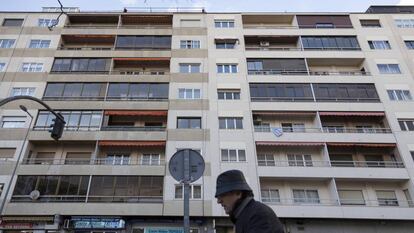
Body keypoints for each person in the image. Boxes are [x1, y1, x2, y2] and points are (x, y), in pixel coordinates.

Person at [215, 170, 285, 233]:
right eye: (218, 197)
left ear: (238, 193)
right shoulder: (246, 214)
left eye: (222, 195)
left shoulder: (258, 215)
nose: (219, 201)